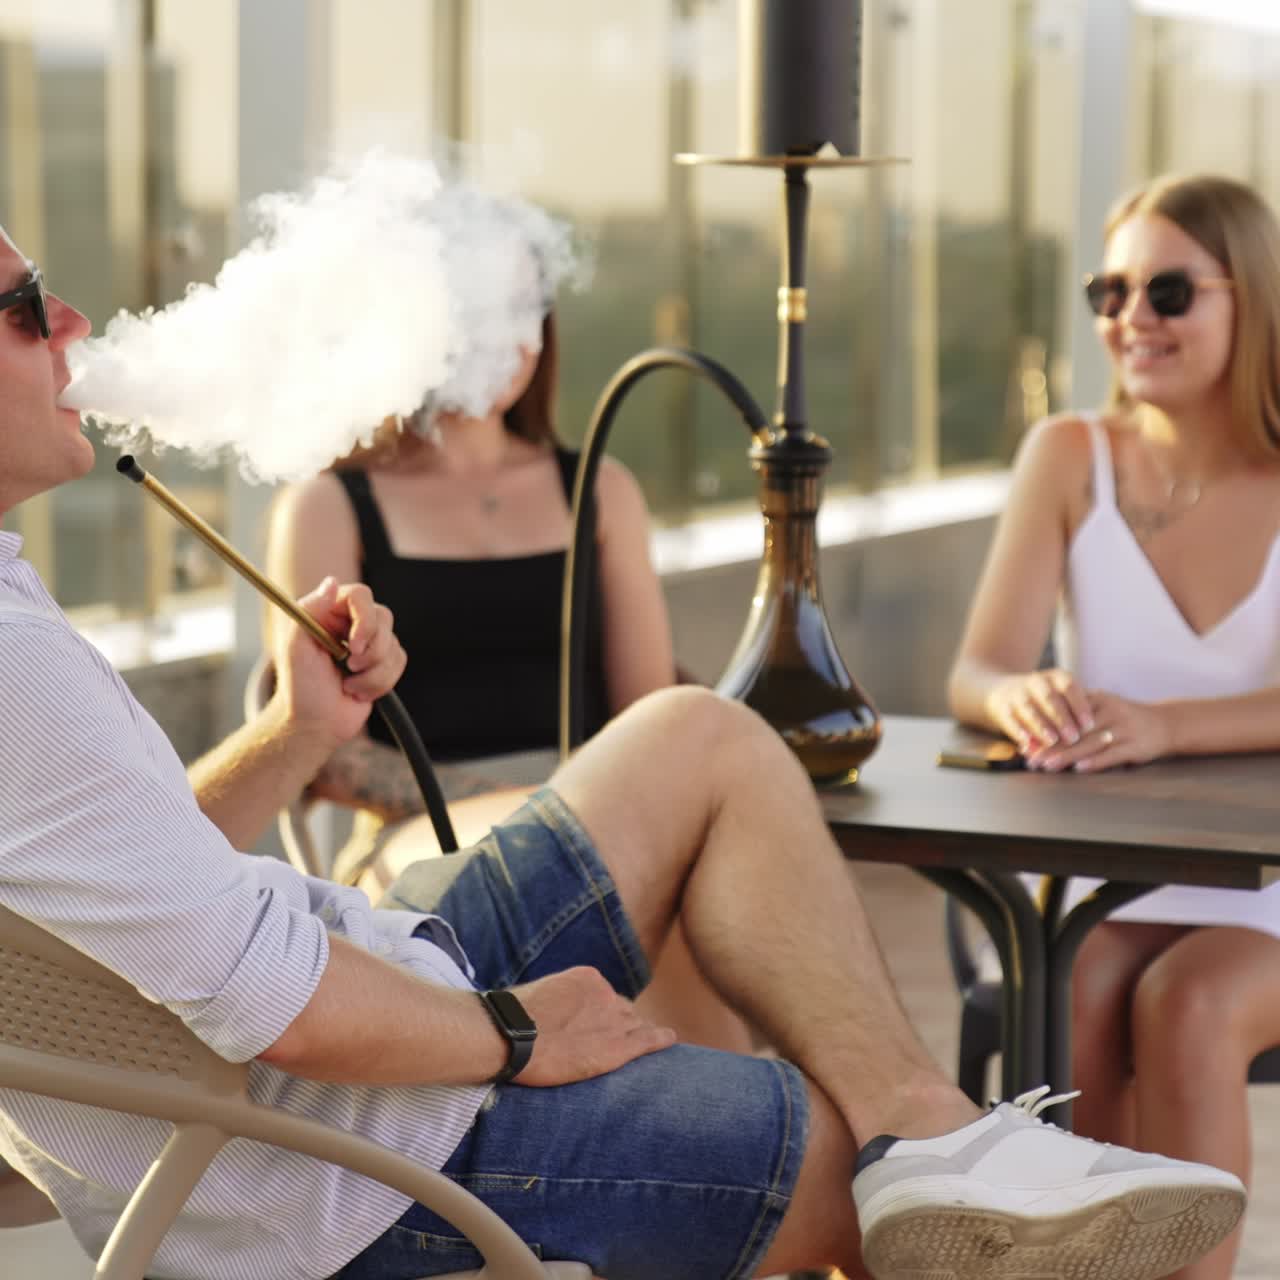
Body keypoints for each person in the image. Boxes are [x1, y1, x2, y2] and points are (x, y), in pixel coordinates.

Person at [0, 223, 1248, 1280]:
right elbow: (276, 1007)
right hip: (336, 1163)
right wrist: (515, 1031)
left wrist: (291, 734)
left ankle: (934, 1121)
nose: (68, 317)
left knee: (696, 734)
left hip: (322, 1031)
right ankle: (939, 1149)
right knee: (858, 1167)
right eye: (17, 306)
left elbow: (130, 893)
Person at [264, 184, 749, 1053]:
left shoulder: (599, 488)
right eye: (481, 305)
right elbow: (322, 751)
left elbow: (649, 711)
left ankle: (728, 1135)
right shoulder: (329, 503)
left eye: (527, 302)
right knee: (650, 885)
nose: (514, 333)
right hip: (419, 840)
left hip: (604, 808)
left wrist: (594, 804)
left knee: (696, 886)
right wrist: (537, 804)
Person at [948, 173, 1280, 1280]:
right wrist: (1016, 696)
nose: (1130, 316)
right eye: (1110, 289)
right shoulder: (1066, 454)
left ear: (1252, 299)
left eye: (1169, 289)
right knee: (1075, 989)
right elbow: (978, 666)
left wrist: (1162, 726)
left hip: (1270, 880)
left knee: (1184, 1004)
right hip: (1111, 871)